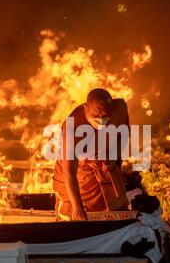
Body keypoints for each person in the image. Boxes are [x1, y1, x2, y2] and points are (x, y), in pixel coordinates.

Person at [52, 88, 130, 221]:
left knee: (111, 211)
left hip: (102, 169)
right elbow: (69, 172)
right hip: (79, 176)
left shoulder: (119, 109)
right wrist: (77, 207)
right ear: (85, 108)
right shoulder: (73, 128)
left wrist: (113, 155)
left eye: (105, 116)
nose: (101, 120)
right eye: (96, 116)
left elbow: (123, 132)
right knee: (75, 213)